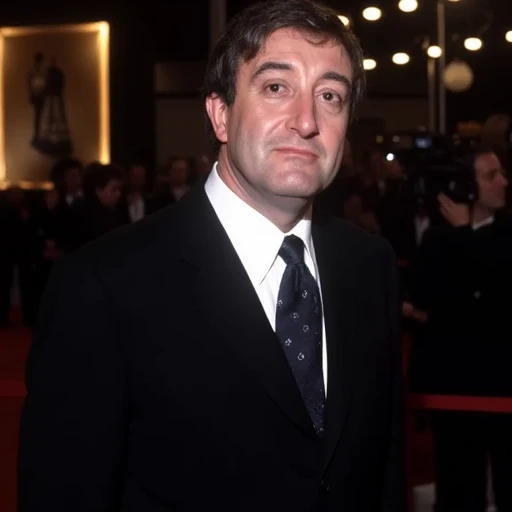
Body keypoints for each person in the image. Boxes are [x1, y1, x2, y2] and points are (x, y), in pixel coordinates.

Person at [17, 1, 405, 510]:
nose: (306, 121)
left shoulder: (369, 265)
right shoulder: (103, 285)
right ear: (220, 114)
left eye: (330, 95)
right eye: (276, 88)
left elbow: (383, 470)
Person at [406, 147, 512, 512]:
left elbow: (495, 300)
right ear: (467, 187)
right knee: (458, 489)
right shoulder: (439, 238)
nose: (503, 182)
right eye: (491, 176)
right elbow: (424, 298)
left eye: (501, 173)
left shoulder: (506, 233)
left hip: (502, 387)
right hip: (455, 388)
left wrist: (467, 233)